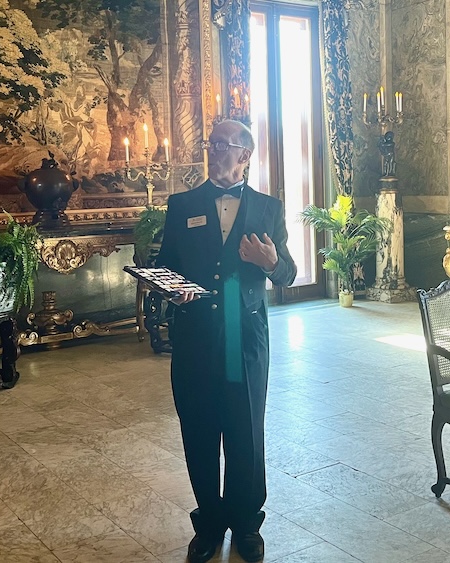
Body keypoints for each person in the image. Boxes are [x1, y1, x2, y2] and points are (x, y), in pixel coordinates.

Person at [157, 119, 297, 563]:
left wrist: (272, 260)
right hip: (196, 334)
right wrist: (172, 289)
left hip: (244, 332)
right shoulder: (182, 205)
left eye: (223, 144)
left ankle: (247, 523)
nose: (214, 150)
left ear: (245, 155)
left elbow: (289, 273)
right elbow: (164, 267)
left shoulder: (268, 208)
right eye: (210, 143)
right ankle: (210, 522)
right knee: (198, 428)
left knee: (245, 429)